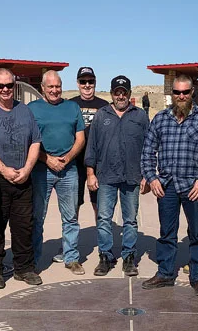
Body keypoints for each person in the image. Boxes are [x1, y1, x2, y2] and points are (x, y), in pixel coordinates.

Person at [140, 74, 198, 295]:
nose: (181, 96)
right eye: (177, 92)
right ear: (171, 94)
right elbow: (147, 152)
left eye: (185, 92)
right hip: (167, 186)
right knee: (167, 233)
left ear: (192, 92)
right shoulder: (161, 119)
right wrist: (152, 177)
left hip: (195, 186)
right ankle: (165, 273)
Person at [0, 68, 43, 288]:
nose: (5, 89)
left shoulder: (25, 111)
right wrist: (4, 170)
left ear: (15, 85)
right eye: (0, 86)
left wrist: (27, 169)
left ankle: (24, 269)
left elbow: (35, 141)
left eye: (9, 85)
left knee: (24, 227)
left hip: (23, 179)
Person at [85, 75, 149, 276]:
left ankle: (129, 256)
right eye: (117, 92)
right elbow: (92, 146)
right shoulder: (101, 115)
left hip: (132, 176)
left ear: (129, 94)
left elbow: (149, 147)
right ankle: (105, 256)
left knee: (130, 220)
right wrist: (90, 173)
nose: (120, 96)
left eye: (124, 92)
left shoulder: (140, 116)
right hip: (106, 176)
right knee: (104, 218)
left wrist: (147, 175)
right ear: (112, 94)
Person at [28, 70, 86, 273]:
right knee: (37, 217)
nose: (54, 90)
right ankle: (33, 260)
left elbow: (80, 138)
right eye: (50, 86)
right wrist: (47, 159)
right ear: (42, 88)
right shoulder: (32, 109)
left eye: (58, 86)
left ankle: (71, 258)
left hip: (68, 170)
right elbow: (28, 140)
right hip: (41, 170)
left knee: (70, 217)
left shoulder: (72, 107)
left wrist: (67, 158)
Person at [70, 66, 108, 228]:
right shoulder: (69, 104)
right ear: (77, 83)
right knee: (73, 204)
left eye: (90, 81)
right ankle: (71, 241)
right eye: (83, 81)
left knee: (99, 204)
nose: (87, 85)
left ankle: (103, 238)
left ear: (95, 82)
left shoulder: (104, 106)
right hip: (75, 161)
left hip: (98, 162)